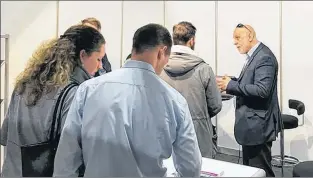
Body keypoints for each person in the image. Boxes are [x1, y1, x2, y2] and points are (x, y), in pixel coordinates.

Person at [53, 23, 202, 177]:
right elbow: (191, 169)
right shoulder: (175, 101)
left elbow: (66, 158)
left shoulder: (88, 89)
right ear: (161, 52)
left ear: (134, 48)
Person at [0, 25, 106, 177]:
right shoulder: (73, 93)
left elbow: (5, 136)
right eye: (98, 59)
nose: (100, 66)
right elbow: (73, 153)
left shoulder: (23, 84)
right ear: (83, 55)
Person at [216, 24, 281, 177]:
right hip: (253, 125)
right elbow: (253, 83)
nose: (234, 42)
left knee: (259, 171)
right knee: (252, 171)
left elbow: (262, 90)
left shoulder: (264, 57)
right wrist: (234, 81)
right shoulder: (256, 55)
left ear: (250, 36)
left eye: (238, 37)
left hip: (257, 126)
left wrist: (231, 85)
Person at [160, 21, 222, 159]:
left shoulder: (159, 67)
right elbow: (216, 105)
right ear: (192, 40)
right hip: (197, 135)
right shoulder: (203, 69)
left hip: (165, 133)